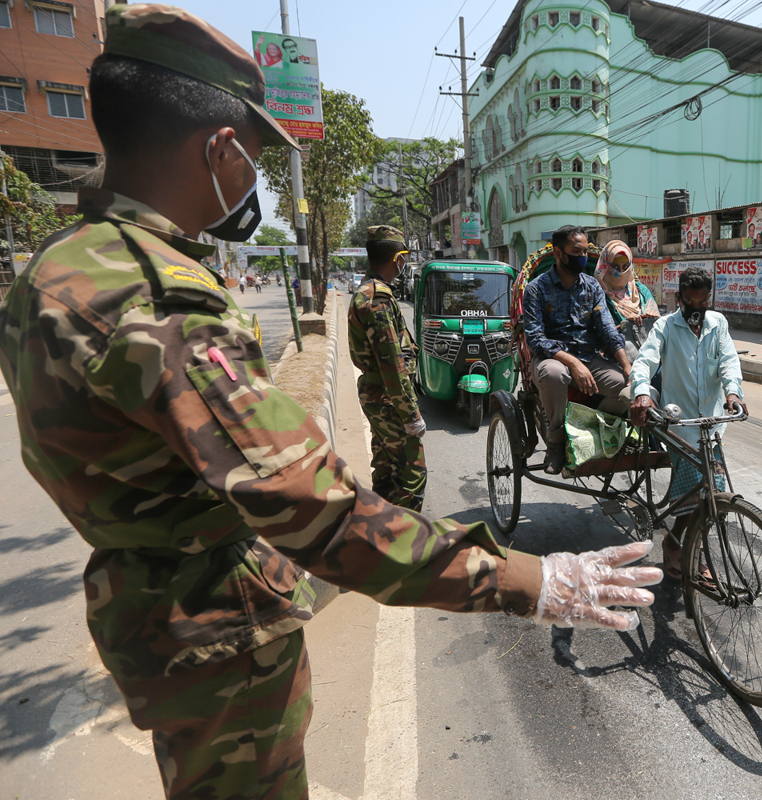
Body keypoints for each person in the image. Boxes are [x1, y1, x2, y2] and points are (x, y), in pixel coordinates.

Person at [0, 8, 661, 799]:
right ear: (219, 149)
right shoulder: (158, 300)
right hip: (218, 637)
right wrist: (532, 582)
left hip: (159, 612)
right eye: (253, 158)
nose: (254, 180)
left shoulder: (60, 267)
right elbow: (317, 511)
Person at [630, 266, 746, 580]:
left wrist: (733, 393)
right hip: (680, 425)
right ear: (679, 298)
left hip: (711, 423)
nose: (698, 309)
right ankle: (682, 546)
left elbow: (728, 360)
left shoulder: (717, 323)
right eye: (691, 303)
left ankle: (680, 542)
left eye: (704, 302)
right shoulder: (666, 327)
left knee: (713, 493)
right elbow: (645, 360)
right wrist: (641, 393)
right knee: (698, 491)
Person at [524, 225, 632, 474]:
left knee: (622, 386)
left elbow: (607, 329)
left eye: (585, 251)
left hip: (589, 357)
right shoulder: (536, 289)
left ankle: (590, 432)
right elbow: (535, 338)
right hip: (551, 358)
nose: (582, 257)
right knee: (554, 374)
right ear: (559, 253)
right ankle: (556, 441)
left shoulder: (592, 287)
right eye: (576, 251)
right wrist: (573, 363)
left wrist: (628, 368)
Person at [348, 225, 426, 512]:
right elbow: (392, 363)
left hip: (378, 396)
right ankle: (405, 546)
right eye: (404, 257)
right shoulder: (378, 298)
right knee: (411, 476)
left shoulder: (371, 291)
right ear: (397, 259)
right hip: (387, 398)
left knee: (385, 470)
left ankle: (379, 536)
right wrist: (410, 413)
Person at [595, 240, 660, 363]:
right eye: (615, 267)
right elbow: (596, 334)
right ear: (605, 266)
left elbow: (658, 326)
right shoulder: (598, 294)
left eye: (625, 267)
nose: (621, 272)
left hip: (648, 354)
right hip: (614, 358)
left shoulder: (641, 291)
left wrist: (650, 318)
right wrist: (625, 325)